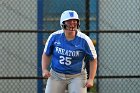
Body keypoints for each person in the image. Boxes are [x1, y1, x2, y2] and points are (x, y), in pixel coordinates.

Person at [42, 10, 97, 93]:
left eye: (75, 21)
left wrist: (91, 79)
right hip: (56, 75)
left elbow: (93, 59)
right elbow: (46, 54)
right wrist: (44, 69)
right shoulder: (54, 37)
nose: (72, 23)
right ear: (63, 23)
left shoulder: (84, 40)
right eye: (69, 21)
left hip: (77, 76)